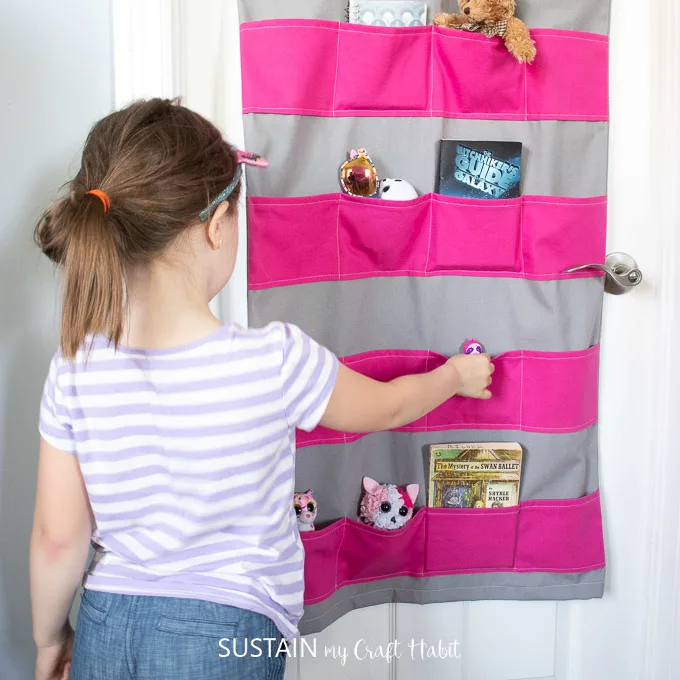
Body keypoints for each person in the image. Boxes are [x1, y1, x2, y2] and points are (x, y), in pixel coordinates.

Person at [30, 98, 494, 680]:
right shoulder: (274, 360)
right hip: (228, 635)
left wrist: (50, 641)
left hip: (107, 623)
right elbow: (388, 405)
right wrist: (454, 375)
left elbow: (56, 538)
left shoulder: (73, 367)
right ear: (218, 227)